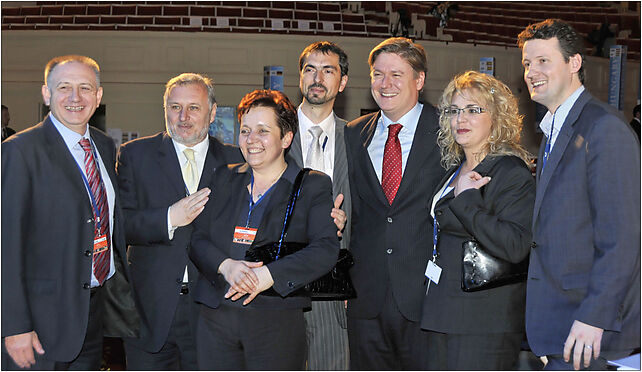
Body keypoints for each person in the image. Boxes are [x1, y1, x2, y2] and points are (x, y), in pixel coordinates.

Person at [1, 55, 139, 370]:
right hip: (38, 323)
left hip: (91, 314)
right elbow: (5, 246)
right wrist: (14, 326)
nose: (75, 98)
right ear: (46, 94)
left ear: (99, 96)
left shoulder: (104, 146)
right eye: (64, 87)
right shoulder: (19, 151)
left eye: (85, 88)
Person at [518, 19, 640, 370]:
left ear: (574, 64)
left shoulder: (604, 128)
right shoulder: (553, 130)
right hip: (560, 327)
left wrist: (594, 318)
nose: (531, 72)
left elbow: (622, 238)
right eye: (527, 63)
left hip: (589, 333)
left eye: (544, 61)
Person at [189, 89, 340, 370]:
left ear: (286, 138)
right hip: (216, 319)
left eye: (262, 131)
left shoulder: (312, 186)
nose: (251, 140)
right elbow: (198, 239)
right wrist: (226, 266)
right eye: (245, 131)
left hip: (276, 320)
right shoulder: (223, 177)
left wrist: (267, 275)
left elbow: (325, 250)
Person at [116, 73, 243, 370]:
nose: (183, 117)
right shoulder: (135, 155)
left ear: (212, 113)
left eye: (194, 108)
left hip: (214, 310)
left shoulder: (236, 161)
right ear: (165, 110)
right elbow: (120, 225)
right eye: (175, 107)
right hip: (149, 312)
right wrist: (170, 218)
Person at [421, 70, 536, 370]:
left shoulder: (511, 172)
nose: (461, 119)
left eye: (473, 110)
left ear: (496, 118)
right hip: (442, 313)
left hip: (484, 323)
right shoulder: (453, 170)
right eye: (455, 111)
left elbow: (515, 245)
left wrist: (467, 201)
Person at [344, 37, 445, 370]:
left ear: (419, 80)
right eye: (377, 74)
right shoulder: (354, 134)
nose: (384, 84)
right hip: (365, 299)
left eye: (396, 75)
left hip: (426, 297)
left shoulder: (448, 131)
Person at [287, 41, 351, 371]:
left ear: (342, 82)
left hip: (334, 291)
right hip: (278, 287)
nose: (317, 77)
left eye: (328, 71)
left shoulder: (359, 140)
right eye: (310, 69)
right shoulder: (272, 137)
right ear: (300, 78)